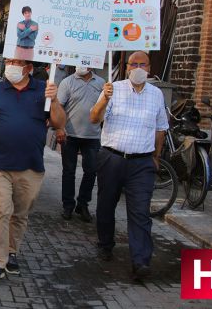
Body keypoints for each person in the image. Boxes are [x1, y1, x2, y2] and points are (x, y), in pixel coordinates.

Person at [0, 57, 65, 284]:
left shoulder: (44, 90)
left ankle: (12, 251)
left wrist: (53, 100)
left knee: (20, 214)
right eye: (9, 61)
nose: (11, 66)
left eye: (17, 62)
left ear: (29, 68)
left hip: (30, 166)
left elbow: (59, 123)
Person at [89, 51, 168, 281]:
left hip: (142, 162)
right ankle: (105, 243)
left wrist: (156, 156)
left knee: (140, 212)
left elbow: (160, 128)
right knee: (106, 205)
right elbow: (94, 118)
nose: (139, 67)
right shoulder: (113, 89)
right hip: (112, 158)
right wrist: (104, 98)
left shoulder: (156, 95)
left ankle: (141, 260)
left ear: (150, 67)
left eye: (143, 63)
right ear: (127, 67)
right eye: (134, 64)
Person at [57, 66, 105, 222]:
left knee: (91, 171)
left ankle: (83, 204)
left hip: (92, 136)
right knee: (69, 171)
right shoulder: (67, 82)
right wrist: (60, 128)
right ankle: (68, 205)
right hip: (69, 134)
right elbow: (59, 106)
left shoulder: (102, 83)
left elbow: (105, 107)